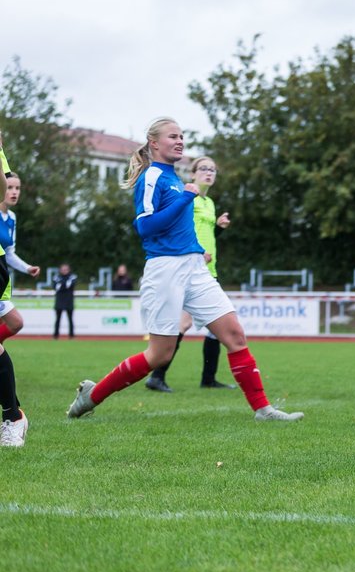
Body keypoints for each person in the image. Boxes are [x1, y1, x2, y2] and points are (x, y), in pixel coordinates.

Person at [67, 118, 302, 421]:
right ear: (154, 143)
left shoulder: (175, 178)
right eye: (173, 136)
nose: (180, 141)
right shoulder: (152, 176)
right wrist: (186, 198)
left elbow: (177, 224)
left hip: (193, 267)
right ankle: (92, 395)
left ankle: (263, 410)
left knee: (234, 335)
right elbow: (145, 226)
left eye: (182, 136)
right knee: (159, 355)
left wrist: (195, 250)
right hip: (165, 270)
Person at [145, 155, 235, 392]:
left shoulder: (209, 202)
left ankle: (208, 379)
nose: (209, 173)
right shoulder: (190, 198)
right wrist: (196, 252)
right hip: (189, 267)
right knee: (183, 325)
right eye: (204, 168)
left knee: (216, 330)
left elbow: (209, 237)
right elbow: (181, 228)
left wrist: (218, 228)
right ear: (193, 173)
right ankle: (157, 376)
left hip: (209, 269)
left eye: (213, 169)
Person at [0, 172, 40, 446]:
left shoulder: (11, 219)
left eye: (17, 188)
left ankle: (13, 416)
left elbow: (8, 253)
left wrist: (26, 268)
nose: (13, 192)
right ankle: (13, 415)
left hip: (1, 278)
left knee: (15, 323)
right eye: (10, 187)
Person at [52, 262, 78, 339]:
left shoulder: (73, 277)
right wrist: (63, 285)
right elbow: (56, 287)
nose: (64, 271)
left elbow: (69, 285)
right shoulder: (56, 277)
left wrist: (61, 285)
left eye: (66, 269)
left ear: (69, 270)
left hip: (69, 300)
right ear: (60, 270)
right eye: (62, 269)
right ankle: (55, 335)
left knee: (70, 319)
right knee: (57, 319)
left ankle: (71, 335)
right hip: (59, 300)